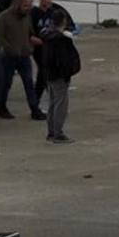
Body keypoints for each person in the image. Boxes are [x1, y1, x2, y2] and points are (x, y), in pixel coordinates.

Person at [0, 0, 41, 120]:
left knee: (29, 83)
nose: (28, 8)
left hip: (24, 55)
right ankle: (2, 108)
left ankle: (35, 109)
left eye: (30, 6)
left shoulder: (27, 17)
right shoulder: (4, 17)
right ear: (18, 4)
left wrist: (31, 46)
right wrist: (10, 49)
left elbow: (29, 33)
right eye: (26, 6)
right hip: (8, 56)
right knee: (5, 83)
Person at [38, 8, 81, 144]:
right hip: (60, 75)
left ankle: (51, 132)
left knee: (53, 103)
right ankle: (58, 133)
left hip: (49, 73)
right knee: (60, 104)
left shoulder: (47, 36)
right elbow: (64, 59)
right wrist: (68, 72)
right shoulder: (61, 40)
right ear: (63, 21)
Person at [30, 0, 74, 96]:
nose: (49, 1)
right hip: (39, 47)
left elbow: (66, 24)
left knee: (48, 71)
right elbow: (27, 29)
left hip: (52, 46)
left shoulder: (54, 11)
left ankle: (46, 94)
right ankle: (37, 98)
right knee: (43, 71)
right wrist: (31, 38)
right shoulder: (33, 13)